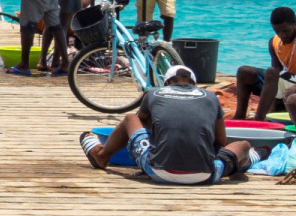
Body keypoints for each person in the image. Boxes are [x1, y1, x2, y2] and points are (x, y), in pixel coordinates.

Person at [81, 65, 253, 184]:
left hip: (157, 171)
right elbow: (220, 142)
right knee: (243, 145)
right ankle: (246, 162)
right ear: (194, 84)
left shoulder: (154, 94)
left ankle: (102, 155)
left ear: (167, 82)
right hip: (206, 175)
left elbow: (142, 122)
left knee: (130, 119)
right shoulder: (210, 97)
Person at [232, 7, 296, 120]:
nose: (282, 35)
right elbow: (276, 73)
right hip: (284, 84)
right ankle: (240, 116)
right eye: (278, 31)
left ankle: (259, 119)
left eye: (286, 31)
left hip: (293, 87)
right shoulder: (274, 42)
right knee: (244, 71)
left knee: (272, 72)